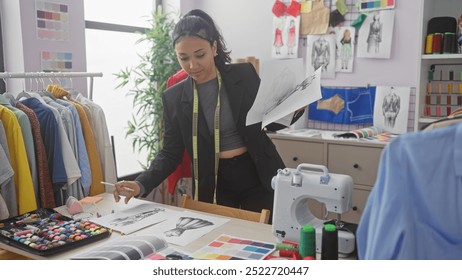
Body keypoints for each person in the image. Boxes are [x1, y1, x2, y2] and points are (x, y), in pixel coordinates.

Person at [113, 9, 302, 215]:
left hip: (258, 173)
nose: (192, 65)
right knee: (222, 242)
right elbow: (170, 153)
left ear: (214, 47)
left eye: (200, 55)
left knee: (266, 238)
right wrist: (141, 184)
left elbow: (269, 121)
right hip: (215, 182)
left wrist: (295, 109)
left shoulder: (244, 74)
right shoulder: (174, 98)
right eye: (183, 58)